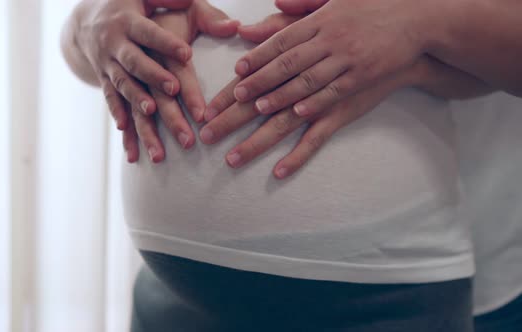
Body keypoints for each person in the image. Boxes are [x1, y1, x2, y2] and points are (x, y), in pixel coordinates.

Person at [61, 0, 520, 331]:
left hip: (390, 293)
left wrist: (421, 19)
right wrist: (93, 24)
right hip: (173, 291)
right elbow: (82, 41)